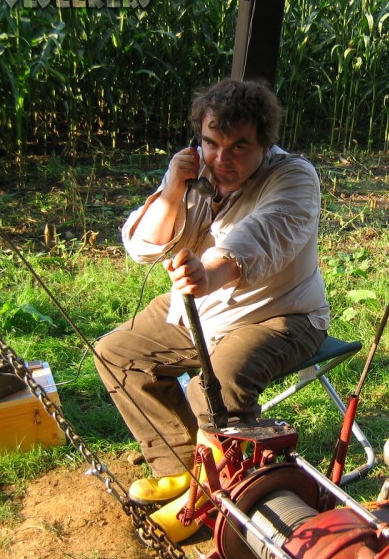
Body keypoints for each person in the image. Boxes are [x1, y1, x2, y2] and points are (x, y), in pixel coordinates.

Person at [94, 78, 329, 509]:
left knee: (213, 389)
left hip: (279, 315)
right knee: (117, 352)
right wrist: (170, 191)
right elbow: (142, 245)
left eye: (239, 146)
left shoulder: (294, 176)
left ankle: (224, 495)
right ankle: (177, 468)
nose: (221, 158)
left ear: (264, 144)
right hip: (202, 307)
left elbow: (261, 238)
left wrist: (207, 272)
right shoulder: (196, 171)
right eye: (210, 143)